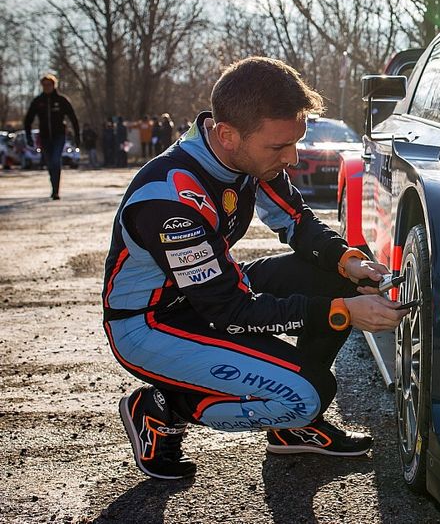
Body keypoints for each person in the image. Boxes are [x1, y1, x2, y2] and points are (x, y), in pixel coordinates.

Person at [102, 56, 407, 481]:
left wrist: (349, 260)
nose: (294, 158)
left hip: (208, 296)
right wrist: (342, 310)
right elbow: (229, 313)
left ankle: (291, 431)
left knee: (335, 277)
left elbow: (297, 220)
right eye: (280, 147)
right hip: (150, 325)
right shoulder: (169, 199)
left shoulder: (246, 155)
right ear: (227, 134)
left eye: (295, 142)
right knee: (310, 394)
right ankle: (161, 409)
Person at [23, 73, 80, 200]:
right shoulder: (38, 101)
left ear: (54, 85)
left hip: (59, 135)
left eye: (49, 85)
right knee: (50, 163)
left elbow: (73, 118)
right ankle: (53, 186)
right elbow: (28, 120)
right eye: (44, 85)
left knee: (55, 160)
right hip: (44, 137)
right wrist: (28, 137)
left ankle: (56, 191)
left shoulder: (61, 100)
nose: (46, 87)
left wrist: (77, 137)